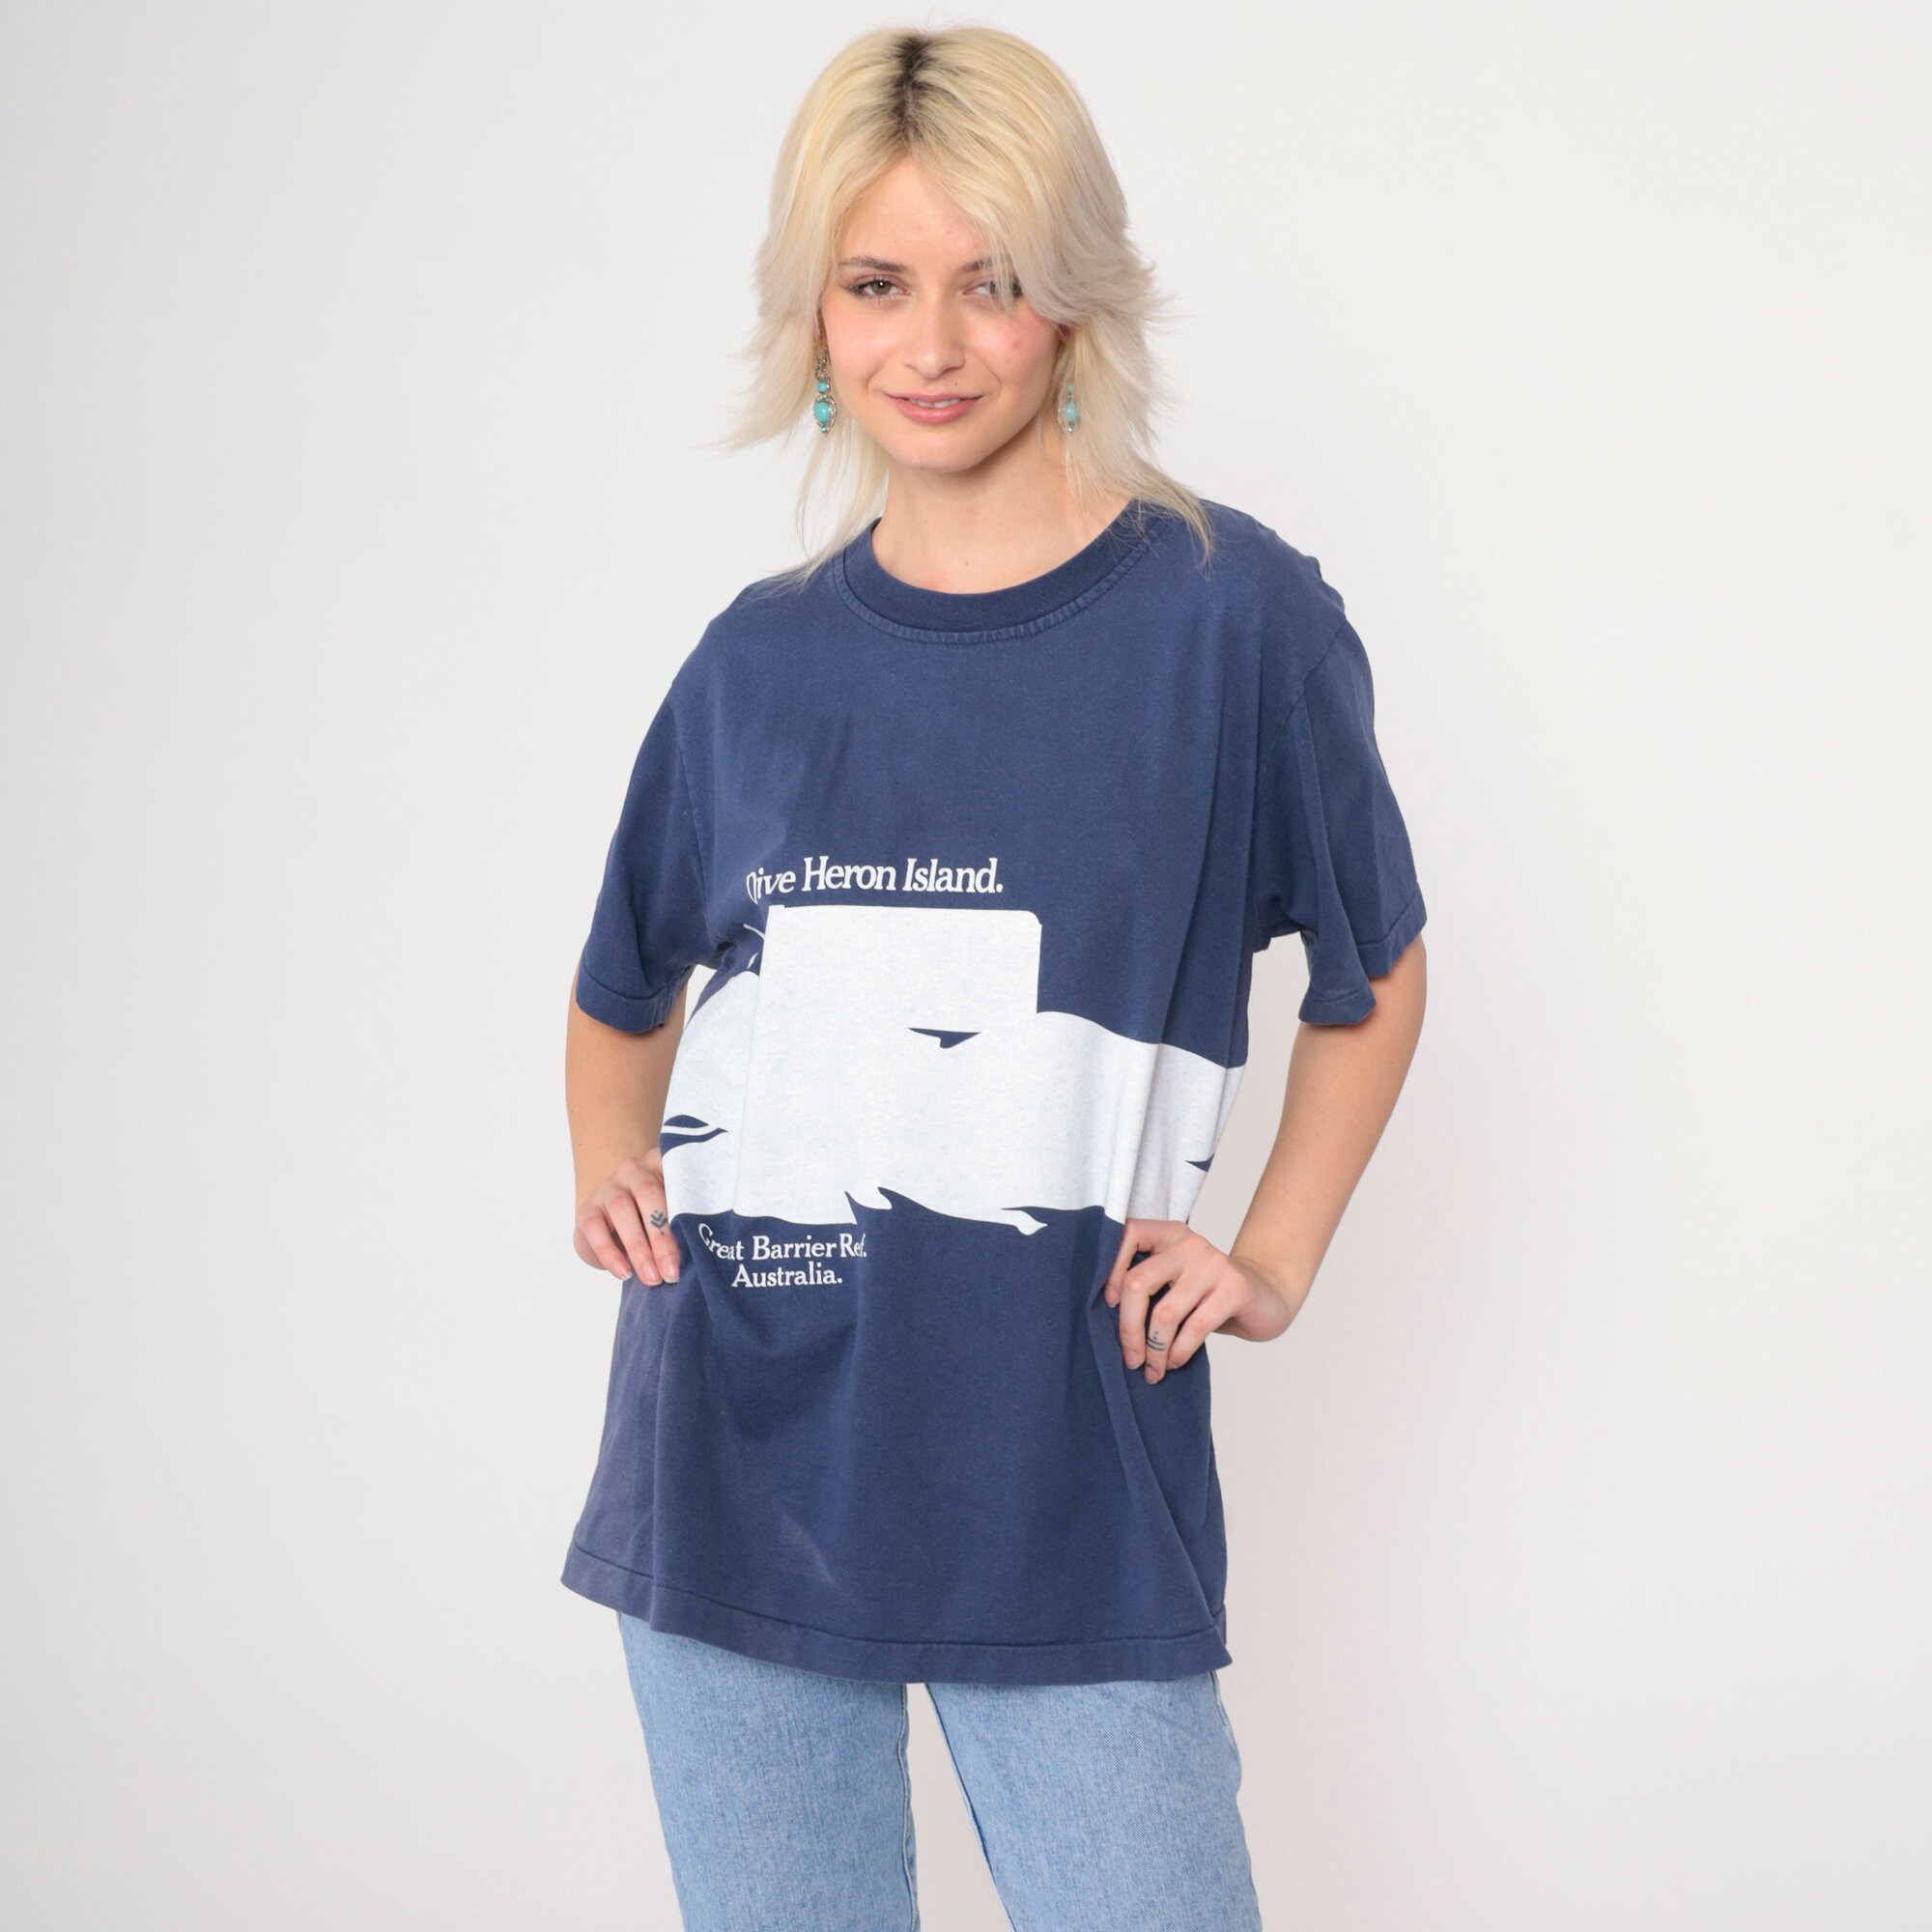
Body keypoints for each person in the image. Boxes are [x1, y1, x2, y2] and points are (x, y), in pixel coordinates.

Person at [559, 24, 1428, 1931]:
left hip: (1064, 1466)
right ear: (814, 316)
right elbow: (622, 986)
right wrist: (611, 1164)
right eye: (876, 285)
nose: (932, 345)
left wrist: (1272, 1258)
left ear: (1075, 300)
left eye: (992, 282)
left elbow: (1371, 974)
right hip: (731, 1455)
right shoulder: (755, 661)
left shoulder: (1233, 621)